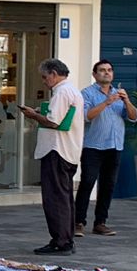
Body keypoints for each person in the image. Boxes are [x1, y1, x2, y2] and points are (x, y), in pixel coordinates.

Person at [20, 57, 85, 256]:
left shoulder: (62, 92)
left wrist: (33, 115)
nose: (44, 81)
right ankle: (65, 238)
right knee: (64, 197)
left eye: (44, 76)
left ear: (54, 74)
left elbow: (53, 122)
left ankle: (61, 240)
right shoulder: (72, 91)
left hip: (57, 150)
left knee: (55, 198)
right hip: (68, 150)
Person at [75, 59, 137, 238]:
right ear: (95, 74)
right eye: (102, 70)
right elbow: (86, 116)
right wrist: (107, 102)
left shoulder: (119, 94)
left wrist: (127, 102)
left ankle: (100, 223)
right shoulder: (87, 93)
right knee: (87, 183)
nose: (106, 73)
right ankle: (78, 222)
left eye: (109, 70)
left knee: (108, 185)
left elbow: (133, 117)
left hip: (115, 145)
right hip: (93, 146)